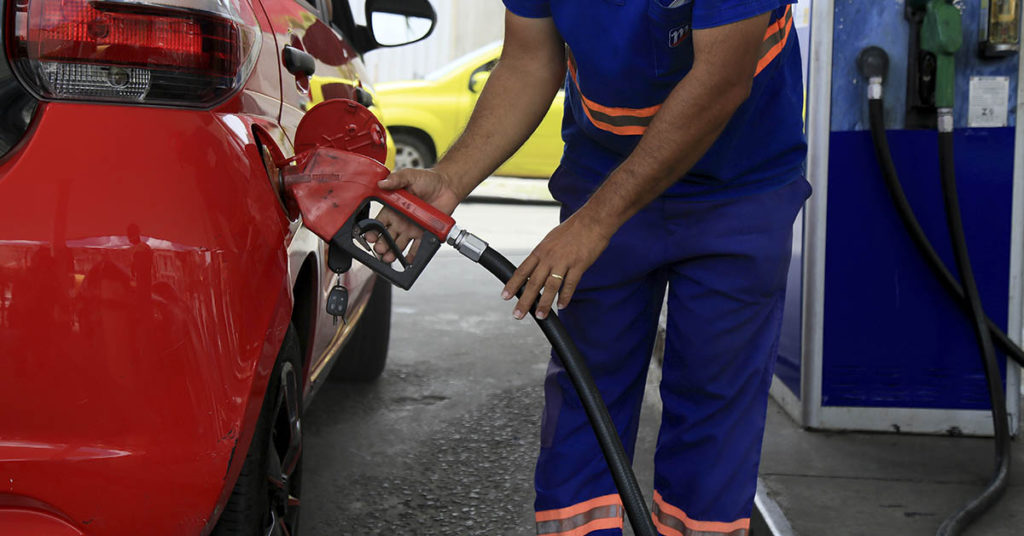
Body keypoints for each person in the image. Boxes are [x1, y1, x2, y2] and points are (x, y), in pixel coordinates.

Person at [375, 1, 809, 534]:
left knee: (713, 407)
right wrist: (449, 180)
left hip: (738, 184)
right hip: (604, 170)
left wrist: (594, 224)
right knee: (588, 392)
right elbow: (529, 61)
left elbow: (720, 80)